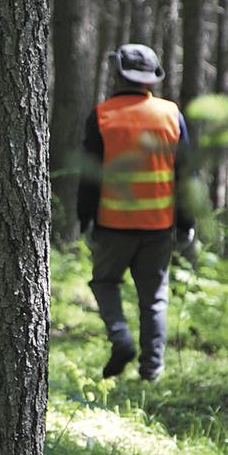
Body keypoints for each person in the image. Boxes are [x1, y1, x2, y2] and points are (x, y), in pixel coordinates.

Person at [76, 43, 196, 381]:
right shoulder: (171, 115)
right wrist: (186, 222)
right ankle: (152, 370)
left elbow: (90, 176)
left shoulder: (102, 116)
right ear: (151, 78)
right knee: (154, 299)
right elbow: (185, 175)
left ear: (118, 74)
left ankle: (121, 339)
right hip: (159, 225)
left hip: (112, 224)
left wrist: (85, 219)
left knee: (105, 282)